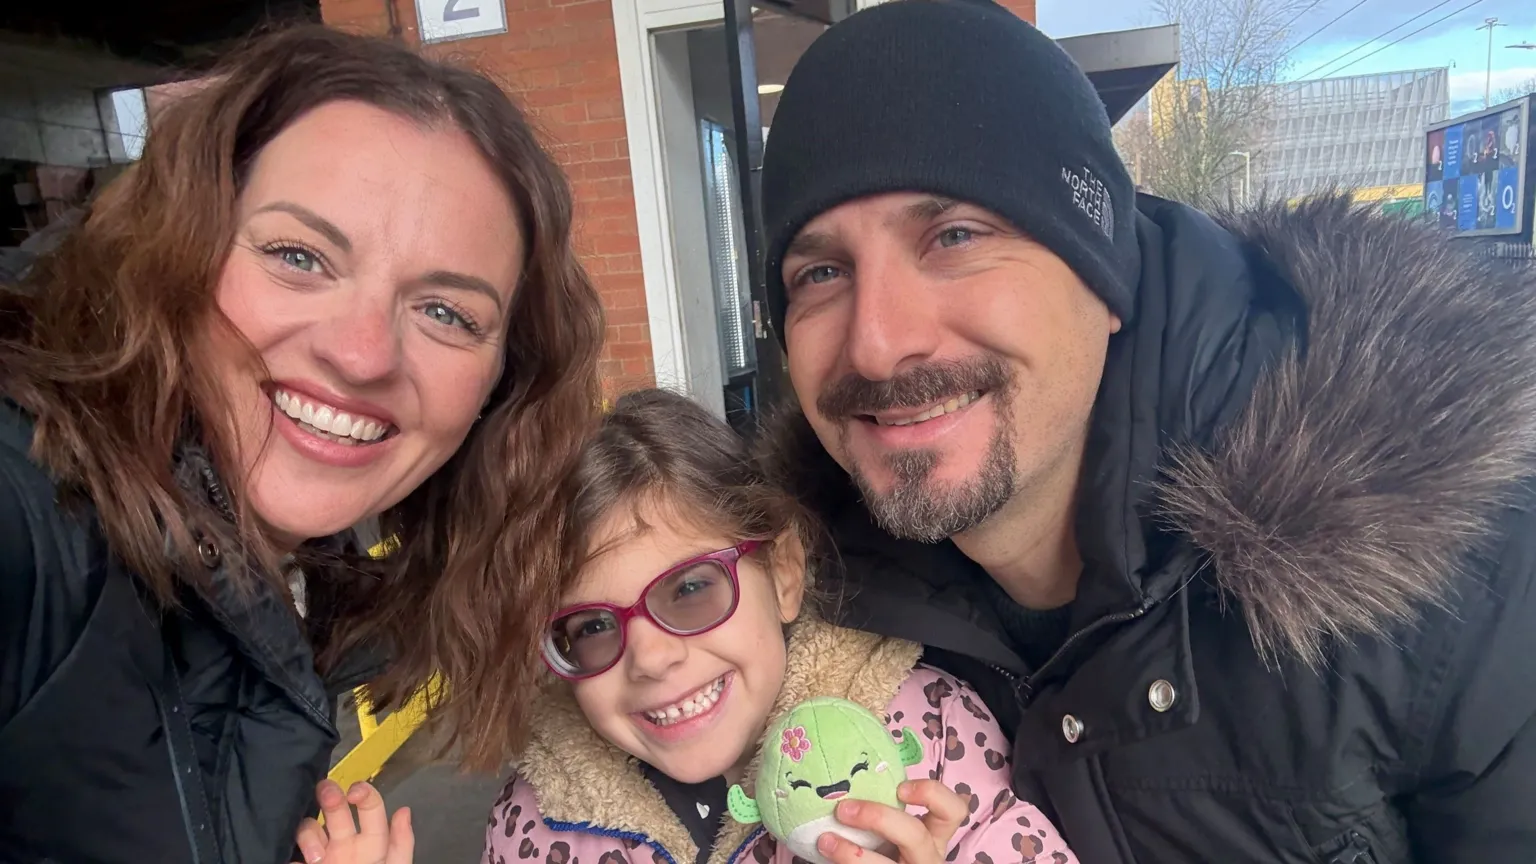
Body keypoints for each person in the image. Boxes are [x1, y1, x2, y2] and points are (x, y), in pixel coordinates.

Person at [755, 1, 1536, 862]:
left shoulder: (1461, 580)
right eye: (821, 271)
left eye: (955, 235)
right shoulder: (782, 617)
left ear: (1107, 277)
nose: (877, 340)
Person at [0, 26, 603, 864]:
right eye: (298, 256)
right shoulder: (33, 514)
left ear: (501, 385)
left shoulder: (330, 589)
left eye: (447, 313)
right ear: (182, 249)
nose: (362, 355)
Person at [289, 390, 1078, 864]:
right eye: (590, 629)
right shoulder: (537, 815)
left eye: (692, 589)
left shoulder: (926, 735)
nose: (654, 658)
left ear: (786, 572)